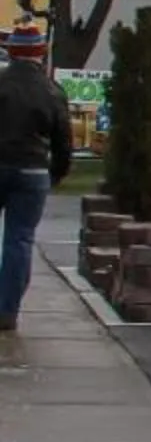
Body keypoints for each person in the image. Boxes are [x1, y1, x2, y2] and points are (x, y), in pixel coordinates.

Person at [0, 25, 73, 335]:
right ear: (41, 53)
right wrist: (55, 173)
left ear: (12, 52)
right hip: (32, 171)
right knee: (19, 239)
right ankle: (6, 312)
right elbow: (63, 142)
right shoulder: (52, 90)